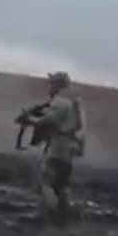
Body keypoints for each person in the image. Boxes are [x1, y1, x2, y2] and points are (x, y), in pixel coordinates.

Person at [26, 72, 85, 225]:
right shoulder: (75, 101)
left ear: (57, 85)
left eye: (51, 83)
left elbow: (50, 120)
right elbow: (79, 126)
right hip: (69, 146)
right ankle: (62, 219)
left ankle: (44, 216)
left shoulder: (60, 101)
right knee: (61, 185)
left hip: (58, 144)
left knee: (46, 182)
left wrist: (31, 120)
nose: (49, 87)